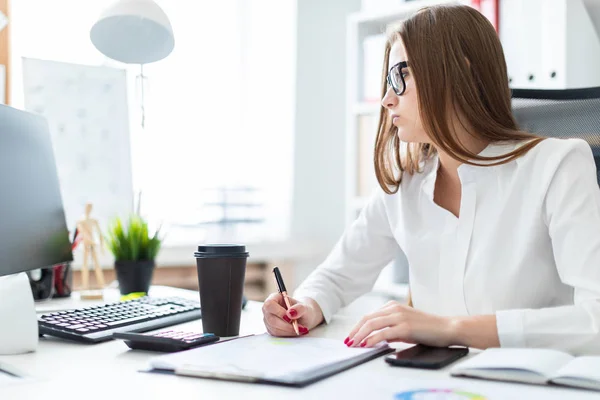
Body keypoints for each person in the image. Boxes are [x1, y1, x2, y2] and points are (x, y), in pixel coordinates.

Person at [261, 4, 600, 355]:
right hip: (431, 381)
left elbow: (596, 320)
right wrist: (304, 306)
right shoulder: (406, 182)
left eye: (400, 76)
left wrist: (450, 328)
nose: (386, 99)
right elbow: (337, 276)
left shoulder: (557, 165)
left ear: (460, 74)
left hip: (523, 383)